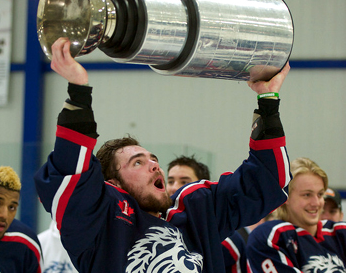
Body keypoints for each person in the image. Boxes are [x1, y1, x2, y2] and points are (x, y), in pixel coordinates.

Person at [34, 37, 291, 273]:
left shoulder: (196, 209)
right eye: (138, 162)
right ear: (112, 184)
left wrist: (267, 100)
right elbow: (69, 178)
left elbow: (267, 182)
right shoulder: (101, 223)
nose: (155, 166)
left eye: (153, 159)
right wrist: (79, 92)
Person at [247, 157, 346, 272]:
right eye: (307, 195)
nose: (316, 203)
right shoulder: (271, 236)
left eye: (320, 194)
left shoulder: (340, 233)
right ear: (285, 197)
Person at [167, 155, 247, 273]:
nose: (174, 187)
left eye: (184, 181)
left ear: (202, 186)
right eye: (170, 181)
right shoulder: (160, 228)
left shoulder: (229, 240)